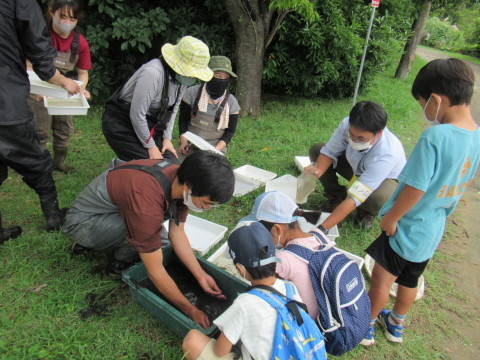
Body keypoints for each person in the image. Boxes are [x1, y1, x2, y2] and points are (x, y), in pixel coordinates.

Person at [362, 58, 480, 346]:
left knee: (381, 278)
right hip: (432, 229)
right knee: (410, 279)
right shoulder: (476, 135)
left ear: (436, 100)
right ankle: (396, 324)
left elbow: (415, 188)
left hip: (406, 226)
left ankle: (364, 325)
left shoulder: (435, 137)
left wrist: (391, 218)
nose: (424, 111)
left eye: (422, 103)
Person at [63, 150, 235, 329]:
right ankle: (118, 264)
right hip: (83, 223)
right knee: (145, 234)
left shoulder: (182, 177)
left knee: (160, 241)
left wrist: (200, 274)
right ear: (189, 187)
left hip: (115, 210)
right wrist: (190, 309)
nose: (207, 209)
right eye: (207, 203)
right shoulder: (146, 200)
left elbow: (177, 232)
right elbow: (155, 270)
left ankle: (118, 243)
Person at [0, 0, 80, 233]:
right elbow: (39, 51)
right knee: (35, 161)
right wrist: (64, 81)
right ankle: (54, 218)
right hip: (6, 100)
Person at [182, 221, 303, 360]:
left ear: (240, 268)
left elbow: (220, 351)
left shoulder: (244, 303)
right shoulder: (290, 287)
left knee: (192, 340)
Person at [102, 36, 213, 161]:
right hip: (121, 124)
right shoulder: (153, 73)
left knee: (173, 165)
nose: (192, 77)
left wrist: (166, 139)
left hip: (148, 125)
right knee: (153, 166)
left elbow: (173, 108)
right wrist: (150, 146)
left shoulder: (181, 80)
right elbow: (137, 114)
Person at [305, 101, 406, 230]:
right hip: (355, 167)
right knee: (317, 150)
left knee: (377, 198)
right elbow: (329, 152)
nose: (354, 140)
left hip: (384, 180)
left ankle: (366, 212)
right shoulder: (347, 124)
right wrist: (317, 170)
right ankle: (336, 196)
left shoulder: (387, 153)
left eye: (361, 138)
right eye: (351, 135)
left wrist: (322, 229)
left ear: (378, 134)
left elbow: (356, 196)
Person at [27, 0, 92, 174]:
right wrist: (38, 90)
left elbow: (83, 74)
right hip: (40, 88)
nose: (67, 22)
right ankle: (38, 165)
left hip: (65, 90)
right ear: (51, 13)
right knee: (40, 130)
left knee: (64, 129)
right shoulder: (40, 36)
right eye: (62, 16)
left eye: (72, 18)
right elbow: (29, 66)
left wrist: (81, 88)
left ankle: (59, 162)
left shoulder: (80, 43)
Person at [240, 191, 325, 320]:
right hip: (325, 314)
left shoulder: (284, 260)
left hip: (305, 323)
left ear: (277, 229)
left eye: (261, 232)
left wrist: (245, 273)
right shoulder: (319, 236)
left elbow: (261, 285)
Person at [178, 56, 240, 158]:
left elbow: (230, 132)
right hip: (190, 145)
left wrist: (216, 150)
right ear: (208, 75)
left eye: (226, 77)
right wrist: (184, 142)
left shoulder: (232, 102)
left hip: (215, 148)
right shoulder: (191, 93)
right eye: (218, 76)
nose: (222, 80)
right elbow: (182, 121)